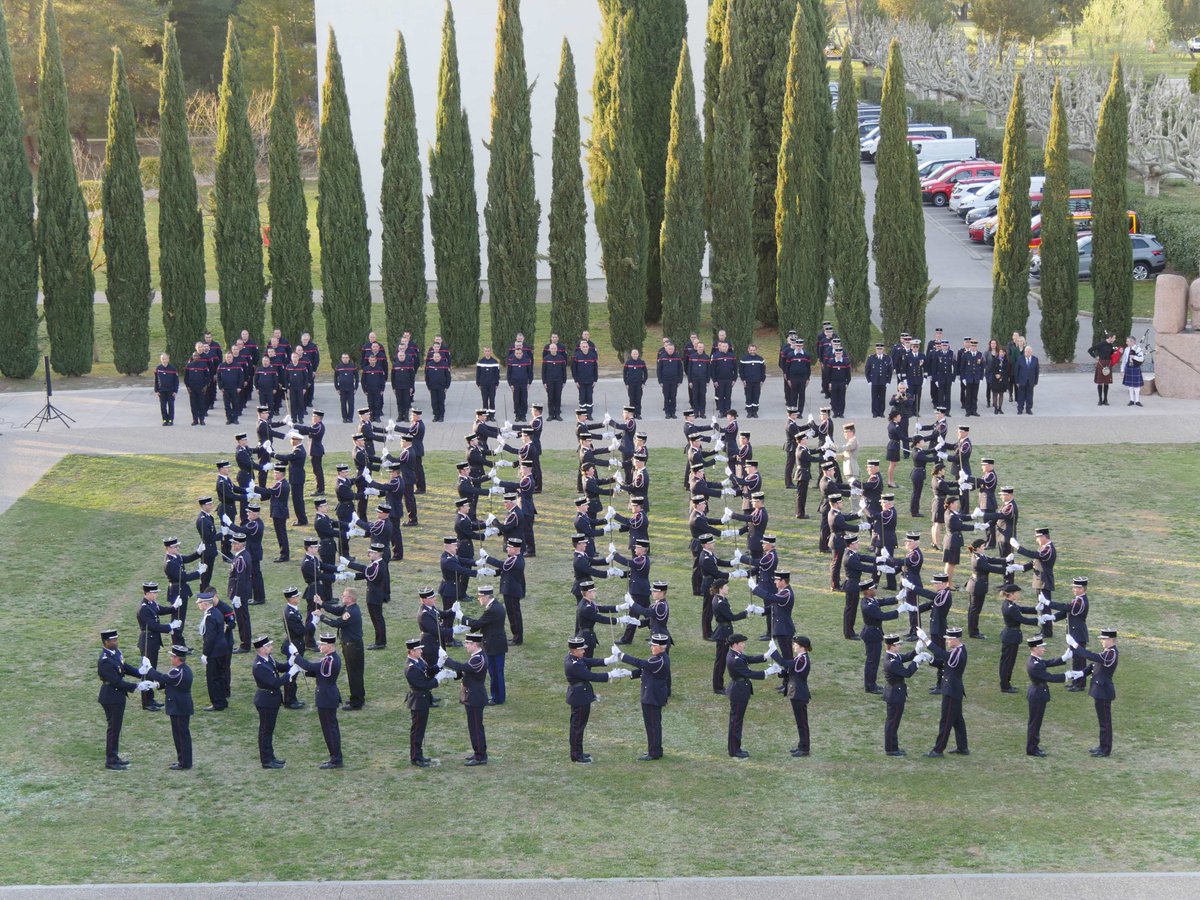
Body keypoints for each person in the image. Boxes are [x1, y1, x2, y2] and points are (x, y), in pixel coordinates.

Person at [564, 635, 631, 763]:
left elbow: (589, 661)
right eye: (582, 649)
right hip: (580, 697)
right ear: (575, 650)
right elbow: (591, 676)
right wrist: (611, 675)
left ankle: (578, 751)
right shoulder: (573, 664)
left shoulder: (574, 659)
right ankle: (576, 755)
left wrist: (607, 661)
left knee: (578, 726)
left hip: (580, 695)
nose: (584, 651)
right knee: (577, 727)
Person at [615, 633, 671, 760]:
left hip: (652, 696)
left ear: (660, 647)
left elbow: (641, 664)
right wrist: (630, 673)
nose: (651, 647)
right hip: (654, 695)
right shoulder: (660, 658)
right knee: (653, 724)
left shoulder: (658, 660)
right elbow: (646, 670)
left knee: (652, 725)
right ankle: (655, 749)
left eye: (653, 645)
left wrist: (621, 655)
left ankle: (654, 752)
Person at [439, 632, 491, 766]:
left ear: (475, 644)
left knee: (475, 727)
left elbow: (462, 668)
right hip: (474, 696)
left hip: (475, 697)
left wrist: (445, 658)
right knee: (475, 727)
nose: (466, 646)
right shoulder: (477, 656)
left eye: (468, 643)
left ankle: (480, 756)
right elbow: (466, 672)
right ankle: (479, 752)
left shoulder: (477, 658)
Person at [292, 633, 344, 769]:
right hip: (328, 696)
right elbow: (317, 672)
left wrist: (296, 656)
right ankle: (336, 757)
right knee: (331, 729)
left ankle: (336, 759)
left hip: (326, 698)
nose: (319, 645)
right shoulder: (331, 658)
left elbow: (312, 667)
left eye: (322, 644)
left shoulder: (329, 660)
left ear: (328, 646)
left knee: (330, 730)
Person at [725, 633, 781, 759]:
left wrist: (767, 655)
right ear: (735, 644)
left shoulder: (736, 655)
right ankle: (734, 750)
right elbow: (749, 673)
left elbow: (749, 659)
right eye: (742, 643)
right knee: (736, 722)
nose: (744, 645)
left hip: (739, 690)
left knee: (736, 721)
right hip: (738, 692)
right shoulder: (734, 659)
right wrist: (768, 672)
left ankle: (734, 748)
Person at [96, 629, 145, 769]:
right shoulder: (105, 661)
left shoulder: (115, 653)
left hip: (117, 696)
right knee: (113, 729)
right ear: (106, 642)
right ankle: (111, 760)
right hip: (111, 696)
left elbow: (124, 667)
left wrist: (139, 672)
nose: (116, 642)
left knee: (116, 729)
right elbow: (116, 681)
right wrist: (136, 686)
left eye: (116, 639)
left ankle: (114, 756)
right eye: (113, 640)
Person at [1024, 635, 1079, 757]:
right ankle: (1032, 748)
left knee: (1036, 722)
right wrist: (1066, 676)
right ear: (1035, 648)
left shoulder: (1036, 660)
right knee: (1035, 722)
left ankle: (1033, 746)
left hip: (1038, 693)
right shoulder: (1034, 665)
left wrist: (1063, 658)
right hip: (1037, 694)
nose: (1044, 649)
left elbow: (1047, 663)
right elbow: (1049, 677)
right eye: (1041, 647)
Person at [142, 643, 194, 770]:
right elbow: (170, 683)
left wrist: (149, 669)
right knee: (181, 735)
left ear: (177, 658)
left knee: (180, 736)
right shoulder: (184, 670)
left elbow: (162, 678)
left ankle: (184, 763)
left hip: (179, 707)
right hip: (181, 706)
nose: (171, 659)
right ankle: (183, 760)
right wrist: (156, 686)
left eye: (172, 657)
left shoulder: (178, 672)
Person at [922, 625, 968, 757]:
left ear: (956, 640)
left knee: (946, 721)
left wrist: (927, 641)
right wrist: (930, 658)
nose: (947, 641)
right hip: (953, 689)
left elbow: (946, 658)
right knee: (957, 720)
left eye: (949, 639)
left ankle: (938, 750)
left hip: (951, 691)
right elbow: (944, 663)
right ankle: (962, 747)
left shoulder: (958, 653)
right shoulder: (957, 651)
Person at [317, 587, 366, 711]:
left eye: (344, 596)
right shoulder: (349, 608)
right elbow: (336, 610)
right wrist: (322, 603)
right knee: (354, 673)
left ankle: (357, 702)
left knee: (354, 674)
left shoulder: (351, 612)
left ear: (350, 598)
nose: (342, 597)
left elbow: (336, 623)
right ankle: (358, 697)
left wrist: (321, 616)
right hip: (352, 646)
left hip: (352, 647)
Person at [882, 633, 930, 756]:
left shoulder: (893, 656)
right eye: (898, 644)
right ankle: (891, 749)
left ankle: (893, 747)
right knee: (893, 722)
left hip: (895, 693)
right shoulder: (892, 662)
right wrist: (917, 662)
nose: (899, 646)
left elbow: (905, 657)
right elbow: (907, 673)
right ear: (892, 646)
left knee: (893, 722)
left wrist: (916, 650)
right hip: (895, 695)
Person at [1075, 627, 1119, 757]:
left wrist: (1076, 646)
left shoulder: (1111, 653)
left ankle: (1105, 749)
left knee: (1105, 722)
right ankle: (1102, 745)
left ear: (1110, 639)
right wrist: (1080, 673)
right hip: (1100, 690)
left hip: (1104, 691)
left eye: (1103, 639)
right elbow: (1094, 664)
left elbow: (1092, 657)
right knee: (1102, 721)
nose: (1101, 641)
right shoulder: (1107, 651)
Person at [460, 585, 508, 705]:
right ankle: (498, 696)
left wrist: (461, 617)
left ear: (486, 597)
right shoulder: (495, 606)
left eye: (480, 597)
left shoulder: (491, 610)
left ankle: (497, 698)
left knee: (495, 673)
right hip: (496, 643)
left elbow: (477, 624)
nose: (479, 599)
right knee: (497, 672)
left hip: (494, 646)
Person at [251, 635, 292, 769]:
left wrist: (291, 662)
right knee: (265, 732)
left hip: (271, 700)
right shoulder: (259, 666)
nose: (271, 647)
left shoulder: (268, 659)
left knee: (269, 731)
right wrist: (289, 675)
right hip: (266, 701)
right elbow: (274, 683)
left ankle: (271, 756)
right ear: (261, 649)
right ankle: (266, 760)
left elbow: (280, 667)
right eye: (268, 646)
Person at [769, 635, 814, 757]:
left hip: (799, 693)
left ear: (802, 647)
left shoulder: (802, 660)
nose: (793, 646)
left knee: (802, 723)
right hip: (796, 693)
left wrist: (773, 652)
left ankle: (805, 749)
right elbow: (789, 672)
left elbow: (785, 663)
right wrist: (778, 671)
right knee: (800, 722)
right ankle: (802, 745)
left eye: (795, 644)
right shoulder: (799, 659)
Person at [403, 637, 441, 767]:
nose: (420, 651)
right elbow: (423, 685)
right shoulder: (411, 668)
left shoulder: (419, 660)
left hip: (423, 700)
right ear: (411, 651)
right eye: (418, 649)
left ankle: (419, 755)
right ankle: (416, 757)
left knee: (421, 730)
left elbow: (428, 672)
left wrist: (438, 666)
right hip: (418, 701)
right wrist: (438, 680)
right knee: (417, 731)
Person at [997, 582, 1041, 693]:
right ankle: (1005, 686)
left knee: (1007, 662)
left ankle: (1006, 683)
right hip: (1011, 637)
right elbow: (1022, 619)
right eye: (1017, 593)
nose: (1018, 594)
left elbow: (1022, 609)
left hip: (1010, 636)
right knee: (1008, 663)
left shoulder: (1010, 604)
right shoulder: (1010, 607)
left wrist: (1036, 609)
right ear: (1011, 594)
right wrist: (1038, 621)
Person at [196, 590, 230, 711]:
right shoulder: (217, 612)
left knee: (213, 678)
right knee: (220, 676)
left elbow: (209, 638)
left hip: (214, 652)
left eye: (199, 603)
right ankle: (222, 701)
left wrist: (205, 654)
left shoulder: (209, 617)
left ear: (205, 604)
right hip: (223, 649)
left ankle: (217, 703)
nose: (198, 605)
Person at [1086, 330, 1118, 406]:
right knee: (1100, 383)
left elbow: (1110, 353)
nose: (1115, 339)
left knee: (1106, 383)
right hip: (1101, 364)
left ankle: (1105, 400)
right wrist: (1095, 357)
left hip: (1108, 364)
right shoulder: (1101, 344)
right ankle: (1100, 400)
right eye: (1114, 338)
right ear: (1110, 337)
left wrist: (1115, 352)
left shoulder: (1111, 345)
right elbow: (1090, 350)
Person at [865, 343, 893, 418]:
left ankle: (881, 412)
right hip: (874, 381)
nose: (879, 350)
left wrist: (888, 381)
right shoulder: (871, 358)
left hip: (883, 382)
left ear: (883, 349)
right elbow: (867, 370)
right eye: (878, 349)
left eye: (880, 349)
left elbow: (890, 371)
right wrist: (869, 381)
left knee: (882, 397)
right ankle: (875, 412)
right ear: (876, 349)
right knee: (874, 397)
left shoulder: (887, 358)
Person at [571, 339, 599, 409]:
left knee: (589, 397)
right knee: (582, 397)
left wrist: (595, 380)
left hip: (590, 381)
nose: (585, 348)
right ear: (580, 348)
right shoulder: (576, 356)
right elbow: (574, 369)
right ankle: (582, 414)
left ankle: (589, 414)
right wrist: (576, 380)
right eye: (583, 347)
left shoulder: (592, 356)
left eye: (586, 346)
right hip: (581, 381)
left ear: (588, 347)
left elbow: (595, 369)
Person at [424, 348, 451, 422]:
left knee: (441, 402)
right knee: (434, 402)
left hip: (442, 387)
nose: (436, 358)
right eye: (435, 357)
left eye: (437, 357)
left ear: (440, 357)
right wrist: (428, 386)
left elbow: (448, 377)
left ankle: (441, 416)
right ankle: (436, 416)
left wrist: (447, 386)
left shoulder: (444, 365)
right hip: (432, 387)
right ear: (432, 357)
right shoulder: (429, 365)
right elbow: (427, 377)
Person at [154, 353, 179, 426]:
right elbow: (156, 380)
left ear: (168, 359)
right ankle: (165, 420)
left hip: (171, 391)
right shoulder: (158, 368)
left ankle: (170, 420)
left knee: (171, 406)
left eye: (165, 359)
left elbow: (176, 381)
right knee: (163, 406)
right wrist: (156, 390)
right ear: (161, 360)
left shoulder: (173, 368)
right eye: (163, 359)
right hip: (162, 391)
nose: (164, 360)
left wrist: (175, 391)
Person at [1120, 336, 1146, 407]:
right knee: (1130, 386)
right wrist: (1122, 369)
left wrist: (1134, 357)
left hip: (1135, 368)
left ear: (1132, 342)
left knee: (1136, 386)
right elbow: (1124, 360)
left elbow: (1141, 359)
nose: (1126, 342)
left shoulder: (1138, 349)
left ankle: (1137, 401)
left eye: (1128, 341)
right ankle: (1131, 400)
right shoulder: (1127, 349)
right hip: (1128, 368)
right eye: (1127, 341)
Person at [1014, 344, 1039, 415]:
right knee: (1021, 396)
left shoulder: (1035, 359)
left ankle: (1029, 409)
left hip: (1031, 381)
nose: (1027, 352)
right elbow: (1016, 371)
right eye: (1026, 351)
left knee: (1029, 396)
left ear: (1031, 352)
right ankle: (1020, 409)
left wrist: (1035, 382)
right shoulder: (1020, 359)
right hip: (1021, 381)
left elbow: (1036, 371)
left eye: (1028, 351)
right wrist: (1017, 381)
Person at [623, 348, 647, 417]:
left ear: (638, 354)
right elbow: (624, 373)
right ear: (631, 354)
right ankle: (631, 415)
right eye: (633, 354)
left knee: (638, 400)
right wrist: (626, 383)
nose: (635, 355)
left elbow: (645, 373)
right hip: (630, 384)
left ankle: (638, 414)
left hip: (639, 384)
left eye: (636, 354)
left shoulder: (642, 362)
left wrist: (643, 382)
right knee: (631, 400)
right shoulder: (628, 363)